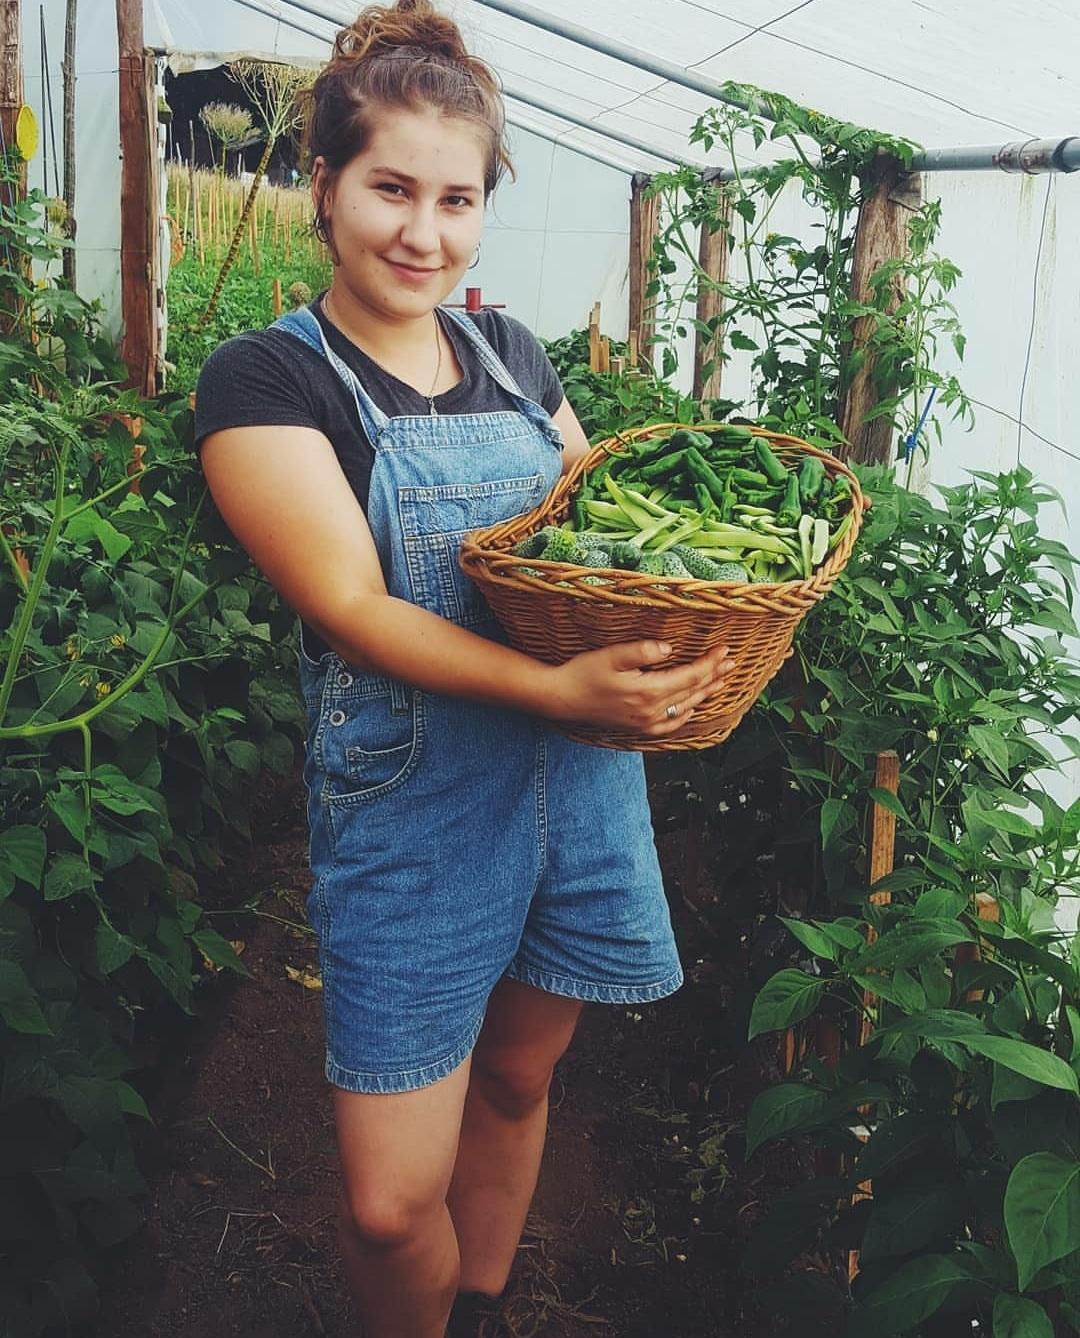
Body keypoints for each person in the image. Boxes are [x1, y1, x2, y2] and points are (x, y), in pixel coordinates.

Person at [195, 3, 731, 1333]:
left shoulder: (514, 356)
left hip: (577, 779)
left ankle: (479, 1308)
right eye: (390, 188)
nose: (423, 232)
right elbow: (354, 606)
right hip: (416, 798)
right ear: (323, 186)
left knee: (515, 1078)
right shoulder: (268, 379)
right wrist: (559, 688)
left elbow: (586, 544)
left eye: (456, 196)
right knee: (387, 1199)